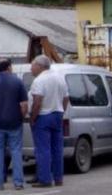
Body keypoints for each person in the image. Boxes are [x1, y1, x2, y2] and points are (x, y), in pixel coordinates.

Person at [0, 59, 28, 191]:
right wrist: (21, 116)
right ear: (9, 68)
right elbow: (24, 105)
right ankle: (18, 182)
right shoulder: (18, 82)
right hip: (15, 123)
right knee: (16, 152)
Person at [28, 56, 69, 188]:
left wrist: (32, 118)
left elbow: (37, 101)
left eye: (33, 65)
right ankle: (58, 178)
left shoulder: (39, 80)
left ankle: (45, 179)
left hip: (43, 116)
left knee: (43, 150)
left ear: (40, 66)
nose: (31, 68)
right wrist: (62, 111)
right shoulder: (59, 77)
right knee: (57, 149)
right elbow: (66, 98)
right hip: (57, 114)